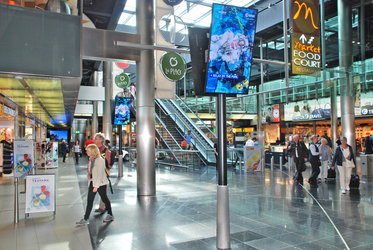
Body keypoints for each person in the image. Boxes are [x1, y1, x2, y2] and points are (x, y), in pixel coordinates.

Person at [76, 144, 113, 225]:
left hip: (100, 183)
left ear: (92, 151)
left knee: (104, 198)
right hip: (94, 182)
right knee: (90, 200)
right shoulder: (91, 159)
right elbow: (92, 172)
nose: (86, 152)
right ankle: (86, 218)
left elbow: (99, 174)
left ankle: (110, 214)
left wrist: (96, 186)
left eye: (88, 150)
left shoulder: (100, 160)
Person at [94, 133, 113, 214]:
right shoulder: (95, 149)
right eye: (95, 139)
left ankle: (104, 208)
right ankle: (103, 207)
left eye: (96, 139)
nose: (95, 140)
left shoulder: (106, 150)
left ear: (101, 140)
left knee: (102, 190)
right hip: (95, 172)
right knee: (100, 190)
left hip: (103, 172)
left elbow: (109, 164)